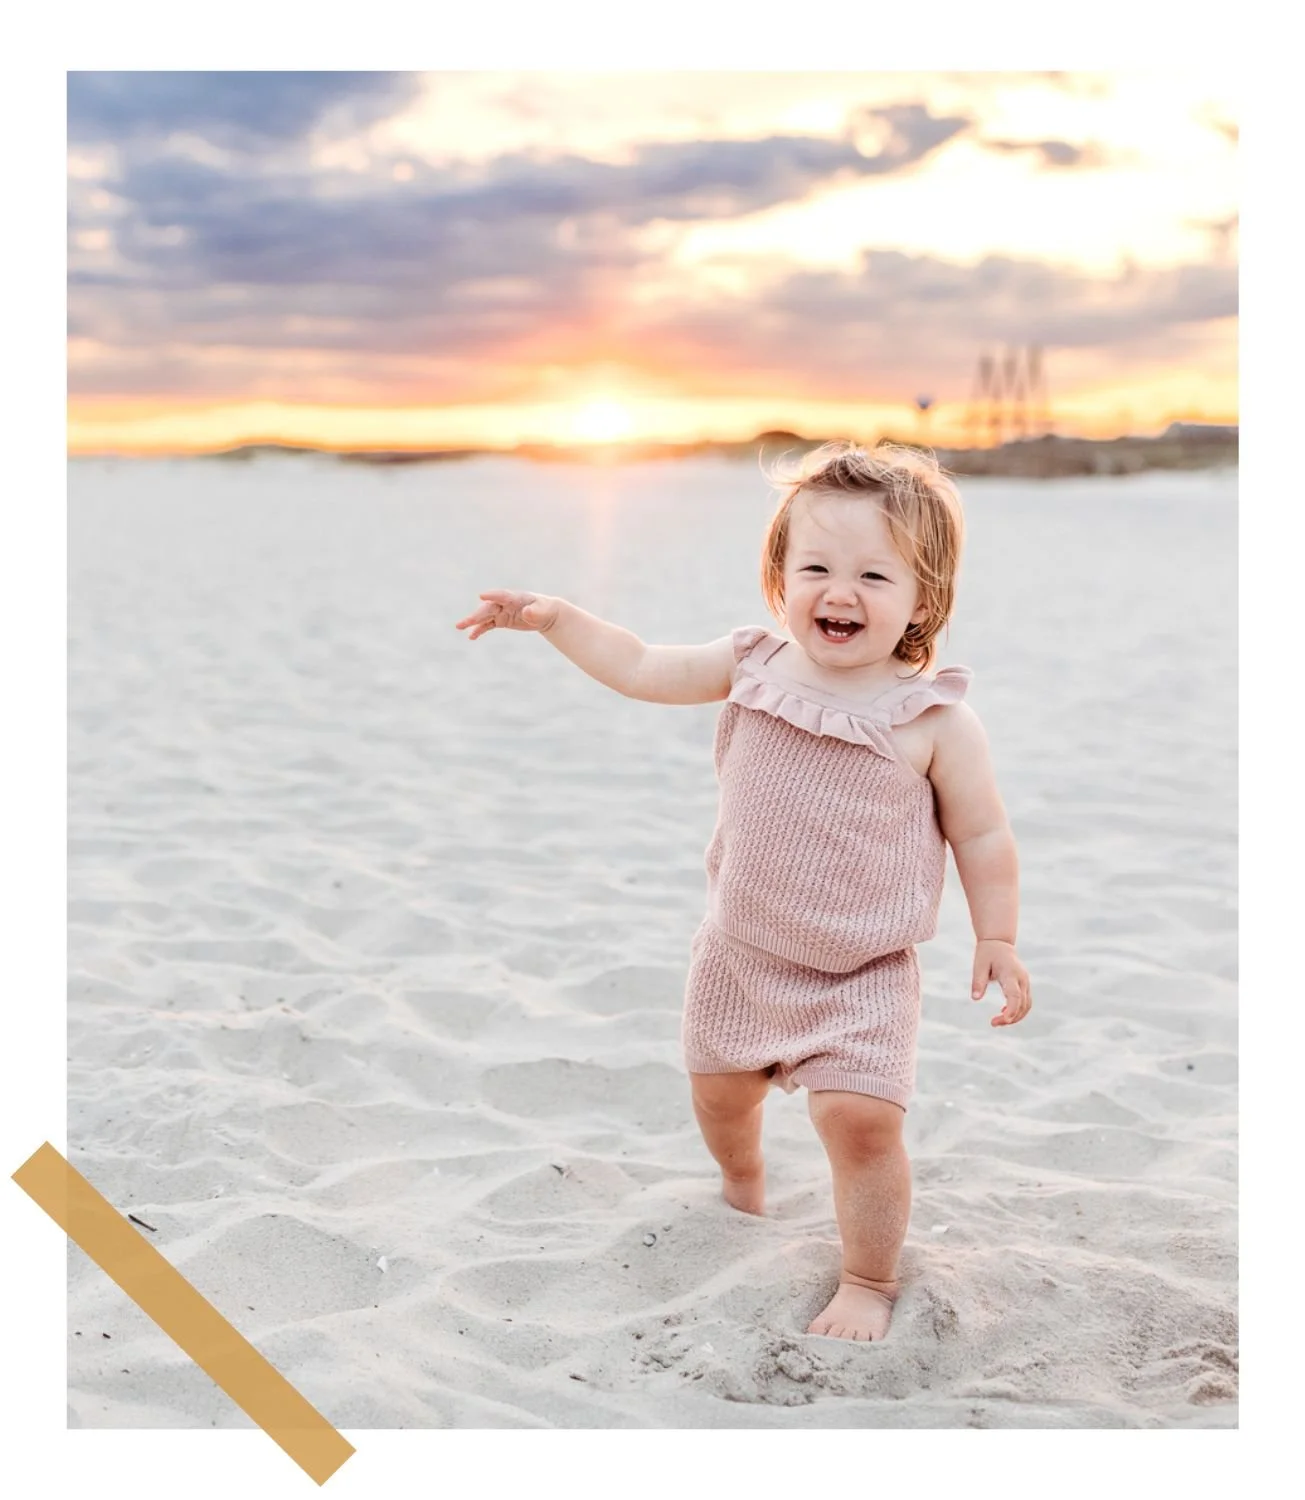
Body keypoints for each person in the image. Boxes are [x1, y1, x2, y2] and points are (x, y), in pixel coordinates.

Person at [454, 440, 1032, 1343]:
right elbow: (641, 665)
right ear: (778, 575)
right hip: (740, 953)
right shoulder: (750, 663)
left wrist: (995, 934)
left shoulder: (933, 720)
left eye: (874, 576)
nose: (839, 593)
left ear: (924, 599)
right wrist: (557, 618)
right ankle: (742, 1182)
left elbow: (983, 833)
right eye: (815, 567)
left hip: (860, 974)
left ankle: (867, 1280)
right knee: (720, 1097)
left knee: (861, 1125)